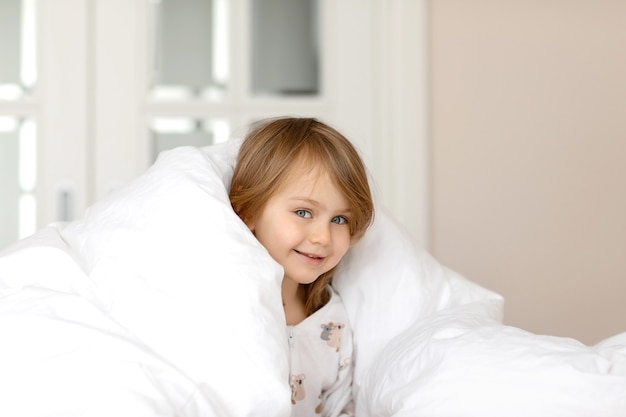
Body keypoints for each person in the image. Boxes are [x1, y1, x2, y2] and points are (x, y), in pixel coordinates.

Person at [229, 117, 374, 416]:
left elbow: (339, 407)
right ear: (247, 209)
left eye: (339, 219)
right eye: (303, 212)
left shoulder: (334, 320)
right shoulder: (230, 307)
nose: (322, 237)